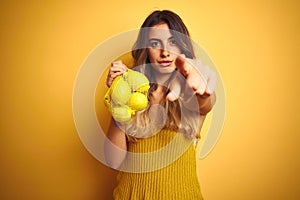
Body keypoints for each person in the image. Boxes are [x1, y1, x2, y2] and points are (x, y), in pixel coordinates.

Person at [104, 10, 216, 200]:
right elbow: (113, 161)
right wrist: (118, 98)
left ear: (183, 48)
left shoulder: (191, 94)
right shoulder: (132, 96)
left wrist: (203, 90)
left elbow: (205, 103)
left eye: (173, 42)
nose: (165, 52)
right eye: (155, 43)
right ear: (146, 49)